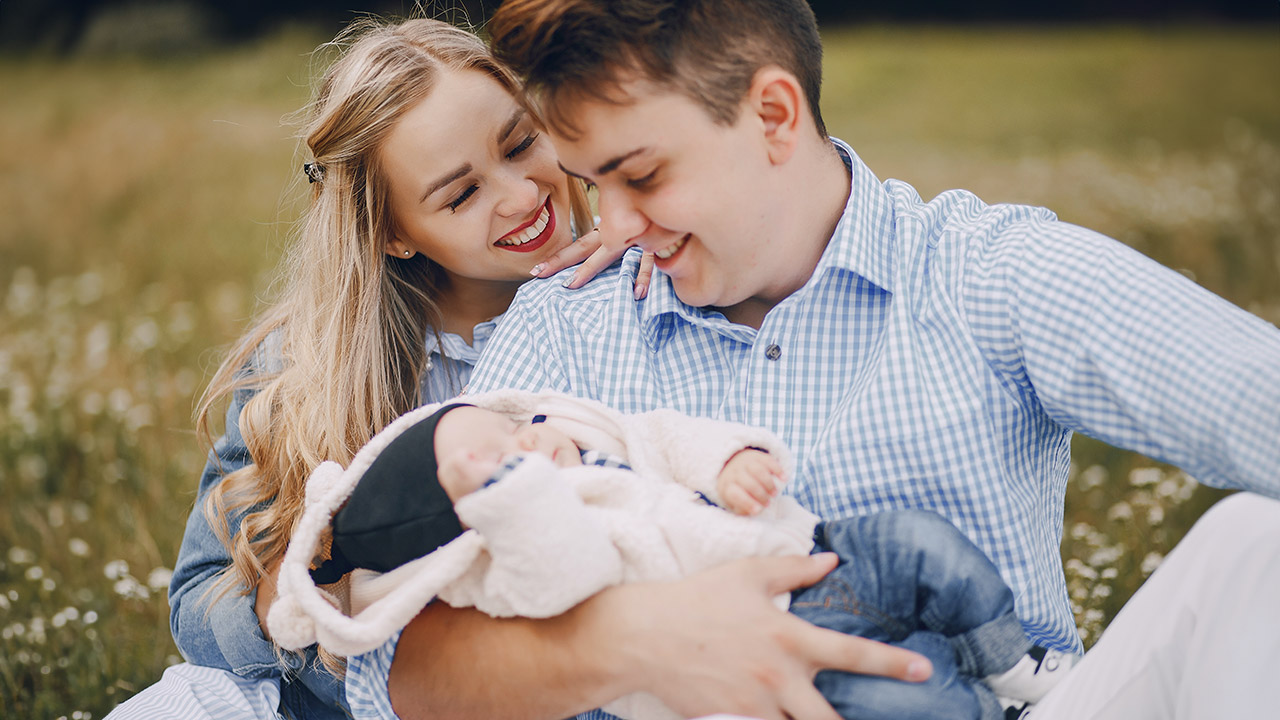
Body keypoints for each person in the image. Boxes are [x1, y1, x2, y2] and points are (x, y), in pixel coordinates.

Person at [343, 1, 1280, 719]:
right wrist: (644, 639)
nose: (615, 228)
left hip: (989, 700)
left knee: (1254, 549)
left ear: (774, 116)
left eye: (642, 177)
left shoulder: (981, 274)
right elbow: (393, 671)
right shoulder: (568, 323)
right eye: (595, 186)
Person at [105, 15, 655, 720]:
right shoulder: (312, 364)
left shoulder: (632, 287)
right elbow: (200, 596)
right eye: (460, 195)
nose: (521, 195)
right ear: (394, 233)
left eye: (521, 143)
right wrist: (302, 613)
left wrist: (645, 223)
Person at [269, 390, 1076, 720]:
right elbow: (564, 581)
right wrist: (518, 504)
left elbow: (661, 432)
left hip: (816, 557)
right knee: (915, 692)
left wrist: (726, 462)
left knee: (920, 544)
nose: (531, 443)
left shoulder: (595, 443)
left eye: (515, 426)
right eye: (500, 461)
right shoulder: (510, 563)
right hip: (760, 671)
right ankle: (980, 702)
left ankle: (1010, 664)